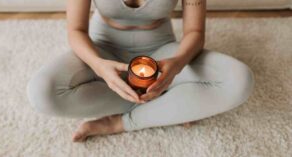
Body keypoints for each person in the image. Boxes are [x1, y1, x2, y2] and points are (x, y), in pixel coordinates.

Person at [27, 0, 254, 142]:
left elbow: (195, 32)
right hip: (103, 50)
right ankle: (169, 106)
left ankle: (120, 122)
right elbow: (76, 30)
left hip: (163, 52)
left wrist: (177, 64)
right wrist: (98, 65)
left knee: (239, 80)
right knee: (41, 92)